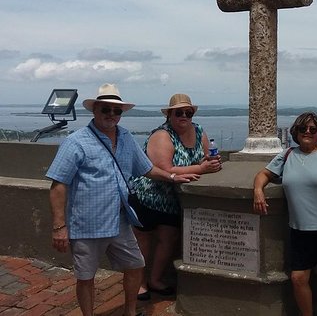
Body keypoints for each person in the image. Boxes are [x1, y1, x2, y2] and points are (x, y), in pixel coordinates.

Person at [47, 83, 199, 316]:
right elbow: (58, 185)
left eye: (116, 111)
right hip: (87, 224)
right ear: (95, 110)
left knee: (136, 266)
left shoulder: (126, 137)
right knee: (86, 276)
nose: (111, 115)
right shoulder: (76, 141)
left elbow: (146, 168)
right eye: (105, 109)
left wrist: (171, 177)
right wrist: (59, 227)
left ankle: (129, 312)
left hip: (120, 220)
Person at [253, 112, 317, 316]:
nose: (307, 132)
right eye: (302, 129)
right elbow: (263, 174)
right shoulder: (288, 154)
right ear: (295, 132)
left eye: (312, 129)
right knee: (298, 278)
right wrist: (258, 191)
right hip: (300, 228)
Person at [129, 93, 222, 300]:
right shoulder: (162, 135)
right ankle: (140, 283)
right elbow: (164, 169)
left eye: (187, 113)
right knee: (142, 242)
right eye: (178, 112)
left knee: (168, 240)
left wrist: (211, 161)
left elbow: (206, 156)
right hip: (149, 196)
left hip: (173, 201)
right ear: (169, 115)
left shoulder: (199, 131)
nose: (184, 116)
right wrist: (201, 168)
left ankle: (155, 279)